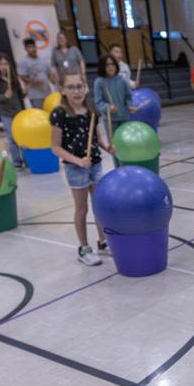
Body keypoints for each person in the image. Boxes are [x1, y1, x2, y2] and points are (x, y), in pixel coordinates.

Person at [51, 71, 114, 266]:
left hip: (94, 164)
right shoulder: (59, 114)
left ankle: (103, 242)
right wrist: (78, 161)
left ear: (85, 88)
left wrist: (107, 147)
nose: (76, 91)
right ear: (63, 90)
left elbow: (98, 138)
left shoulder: (91, 110)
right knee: (82, 208)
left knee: (99, 205)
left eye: (79, 86)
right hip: (75, 168)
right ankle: (84, 248)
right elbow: (55, 148)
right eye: (71, 87)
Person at [0, 52, 26, 169]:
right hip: (6, 113)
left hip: (18, 111)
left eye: (6, 64)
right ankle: (17, 162)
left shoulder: (14, 78)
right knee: (12, 138)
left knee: (22, 137)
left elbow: (20, 95)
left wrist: (24, 92)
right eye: (1, 64)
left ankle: (27, 160)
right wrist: (4, 96)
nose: (4, 67)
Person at [93, 54, 135, 135]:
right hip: (110, 120)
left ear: (116, 65)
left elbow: (128, 96)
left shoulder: (122, 80)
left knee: (126, 143)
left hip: (124, 117)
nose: (110, 67)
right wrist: (107, 107)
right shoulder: (99, 82)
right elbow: (98, 102)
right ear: (102, 67)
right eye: (107, 65)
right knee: (114, 145)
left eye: (112, 64)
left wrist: (130, 105)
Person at [18, 37, 57, 109]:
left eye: (33, 46)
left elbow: (49, 74)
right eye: (29, 47)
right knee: (40, 116)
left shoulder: (43, 60)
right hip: (35, 96)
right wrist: (33, 82)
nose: (32, 49)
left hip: (47, 93)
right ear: (26, 49)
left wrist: (52, 78)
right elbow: (22, 77)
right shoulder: (23, 62)